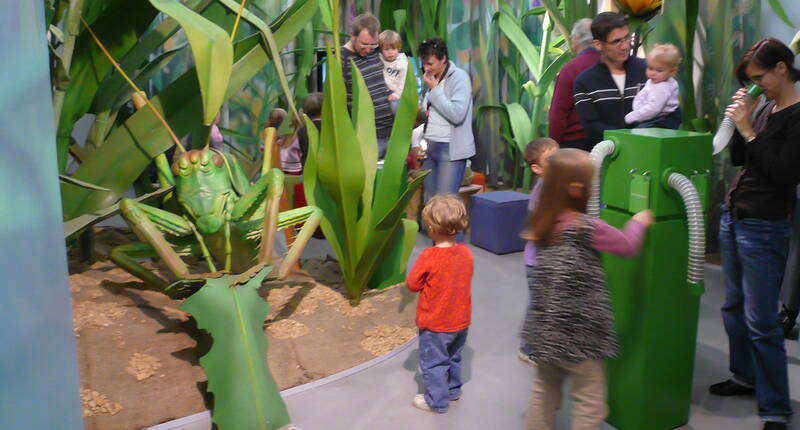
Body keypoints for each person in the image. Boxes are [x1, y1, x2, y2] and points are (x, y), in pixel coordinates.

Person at [520, 148, 653, 430]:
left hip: (545, 332)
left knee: (543, 392)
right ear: (579, 189)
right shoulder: (589, 228)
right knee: (590, 400)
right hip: (580, 336)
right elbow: (628, 246)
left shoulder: (542, 223)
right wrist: (638, 222)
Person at [710, 37, 800, 430]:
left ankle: (776, 407)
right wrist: (739, 124)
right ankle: (744, 376)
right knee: (733, 307)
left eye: (759, 77)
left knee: (761, 319)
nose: (756, 85)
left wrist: (748, 130)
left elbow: (783, 174)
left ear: (782, 68)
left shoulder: (797, 116)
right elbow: (741, 160)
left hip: (764, 223)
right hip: (736, 215)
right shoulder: (766, 106)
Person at [406, 194, 473, 414]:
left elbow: (412, 284)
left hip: (435, 322)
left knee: (434, 362)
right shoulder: (466, 253)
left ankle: (436, 401)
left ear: (431, 227)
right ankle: (453, 390)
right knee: (454, 356)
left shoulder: (429, 256)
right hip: (461, 321)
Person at [573, 12, 681, 145]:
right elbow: (592, 127)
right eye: (616, 41)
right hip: (610, 155)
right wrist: (628, 140)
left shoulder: (650, 70)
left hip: (652, 149)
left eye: (626, 38)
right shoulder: (585, 81)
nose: (624, 46)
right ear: (598, 44)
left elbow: (674, 112)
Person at [418, 37, 475, 205]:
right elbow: (431, 109)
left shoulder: (459, 78)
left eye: (430, 63)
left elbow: (457, 114)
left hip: (450, 149)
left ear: (443, 59)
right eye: (424, 63)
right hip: (431, 147)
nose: (426, 68)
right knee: (431, 204)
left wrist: (435, 91)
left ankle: (455, 233)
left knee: (446, 206)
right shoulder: (432, 77)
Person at [518, 137, 559, 365]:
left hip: (550, 260)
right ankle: (528, 348)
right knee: (540, 306)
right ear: (537, 168)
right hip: (538, 263)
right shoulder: (542, 193)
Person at [342, 13, 394, 159]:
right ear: (353, 36)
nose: (369, 49)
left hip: (390, 132)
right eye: (364, 44)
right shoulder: (342, 59)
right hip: (366, 136)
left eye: (373, 44)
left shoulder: (377, 51)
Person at [548, 18, 600, 151]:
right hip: (607, 142)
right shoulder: (613, 66)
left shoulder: (571, 69)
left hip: (574, 145)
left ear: (576, 39)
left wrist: (553, 147)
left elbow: (558, 115)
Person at [624, 43, 681, 129]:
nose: (653, 73)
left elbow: (653, 108)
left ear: (672, 71)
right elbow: (642, 95)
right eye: (650, 68)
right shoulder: (653, 81)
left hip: (662, 118)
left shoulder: (663, 88)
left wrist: (635, 115)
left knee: (640, 131)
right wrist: (638, 108)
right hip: (652, 115)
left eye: (659, 70)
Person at [378, 29, 409, 111]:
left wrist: (397, 94)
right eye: (386, 49)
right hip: (384, 91)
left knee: (394, 107)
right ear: (381, 50)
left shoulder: (402, 62)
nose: (390, 52)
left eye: (393, 49)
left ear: (398, 48)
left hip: (398, 92)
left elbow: (404, 80)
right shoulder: (380, 58)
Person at [296, 92, 323, 168]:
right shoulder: (330, 128)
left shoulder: (301, 131)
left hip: (308, 171)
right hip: (328, 171)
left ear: (304, 111)